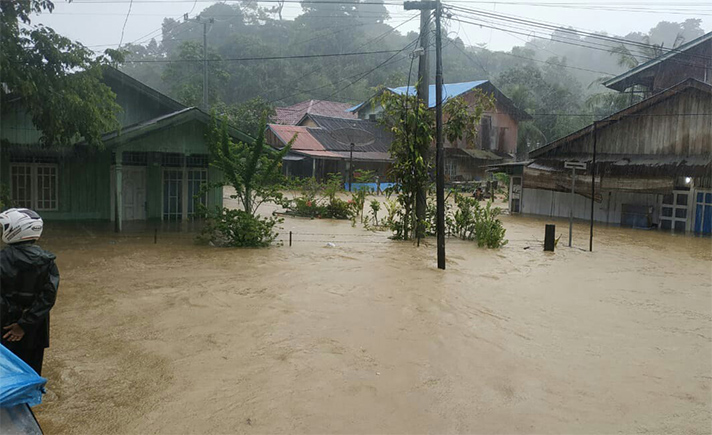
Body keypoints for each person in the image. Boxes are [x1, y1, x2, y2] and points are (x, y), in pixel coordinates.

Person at [0, 208, 59, 376]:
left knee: (6, 380)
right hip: (35, 330)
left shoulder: (1, 259)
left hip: (5, 329)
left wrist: (17, 322)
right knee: (31, 377)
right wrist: (25, 325)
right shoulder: (47, 261)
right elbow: (48, 297)